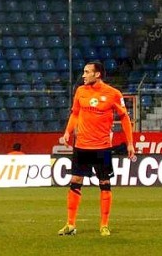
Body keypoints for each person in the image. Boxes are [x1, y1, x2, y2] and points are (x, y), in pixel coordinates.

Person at [58, 61, 134, 237]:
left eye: (87, 72)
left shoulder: (113, 94)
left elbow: (124, 118)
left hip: (102, 147)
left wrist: (130, 143)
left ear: (97, 74)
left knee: (105, 184)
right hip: (82, 146)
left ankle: (104, 225)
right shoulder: (80, 91)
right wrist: (67, 132)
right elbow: (75, 113)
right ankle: (70, 224)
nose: (83, 75)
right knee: (75, 181)